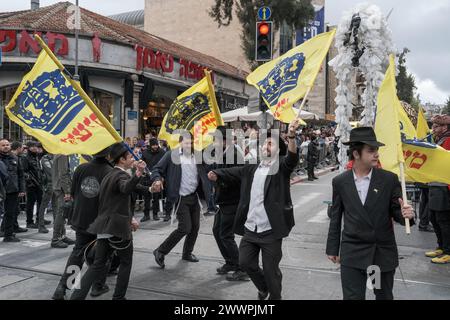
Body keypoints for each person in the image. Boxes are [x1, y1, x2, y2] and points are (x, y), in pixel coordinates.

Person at [208, 119, 301, 300]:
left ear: (278, 149)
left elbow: (292, 158)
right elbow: (234, 171)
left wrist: (291, 136)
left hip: (271, 232)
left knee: (270, 270)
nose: (265, 146)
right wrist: (217, 174)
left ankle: (274, 295)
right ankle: (263, 287)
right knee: (246, 263)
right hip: (251, 229)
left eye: (270, 143)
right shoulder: (252, 169)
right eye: (264, 143)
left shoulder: (281, 167)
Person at [326, 127, 415, 300]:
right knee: (353, 297)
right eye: (371, 150)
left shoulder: (388, 179)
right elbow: (335, 218)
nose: (376, 154)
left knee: (382, 295)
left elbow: (397, 212)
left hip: (379, 255)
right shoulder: (340, 182)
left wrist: (407, 214)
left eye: (377, 150)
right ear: (356, 154)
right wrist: (332, 248)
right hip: (353, 253)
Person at [70, 142, 148, 300]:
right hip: (113, 225)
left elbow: (110, 199)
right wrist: (138, 173)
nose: (133, 159)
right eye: (130, 156)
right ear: (120, 159)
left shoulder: (101, 172)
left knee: (90, 261)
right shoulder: (116, 173)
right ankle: (113, 294)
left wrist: (149, 188)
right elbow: (126, 188)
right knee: (124, 261)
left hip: (96, 223)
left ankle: (70, 292)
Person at [52, 147, 113, 300]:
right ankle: (97, 286)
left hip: (81, 218)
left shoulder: (81, 168)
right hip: (100, 221)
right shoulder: (110, 171)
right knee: (103, 254)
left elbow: (73, 192)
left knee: (78, 253)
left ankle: (63, 287)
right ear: (109, 155)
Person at [151, 133, 211, 268]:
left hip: (194, 196)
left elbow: (207, 168)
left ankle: (187, 253)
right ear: (180, 143)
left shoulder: (197, 155)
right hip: (180, 198)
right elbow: (157, 169)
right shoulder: (172, 155)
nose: (188, 145)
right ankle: (160, 251)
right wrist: (156, 179)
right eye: (186, 143)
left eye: (190, 143)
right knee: (185, 227)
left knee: (195, 227)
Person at [210, 126, 249, 281]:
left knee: (226, 234)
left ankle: (242, 268)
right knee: (216, 230)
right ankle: (230, 262)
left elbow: (237, 177)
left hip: (232, 201)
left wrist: (218, 178)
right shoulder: (223, 153)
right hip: (223, 200)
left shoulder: (233, 154)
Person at [425, 115, 450, 264]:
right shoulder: (438, 140)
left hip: (444, 186)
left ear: (444, 127)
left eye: (436, 126)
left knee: (443, 220)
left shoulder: (448, 140)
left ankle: (448, 251)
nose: (433, 129)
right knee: (433, 217)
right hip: (435, 184)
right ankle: (441, 246)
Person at [0, 139, 26, 242]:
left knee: (10, 213)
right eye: (3, 145)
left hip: (12, 190)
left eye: (7, 145)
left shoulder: (15, 158)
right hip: (1, 191)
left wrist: (22, 189)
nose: (6, 146)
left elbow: (21, 175)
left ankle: (8, 235)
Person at [51, 154, 75, 248]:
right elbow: (63, 174)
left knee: (62, 212)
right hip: (61, 188)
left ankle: (62, 236)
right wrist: (67, 191)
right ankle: (56, 238)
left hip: (60, 187)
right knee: (61, 213)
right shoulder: (62, 154)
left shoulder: (60, 153)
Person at [141, 138, 166, 222]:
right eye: (153, 145)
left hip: (157, 177)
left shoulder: (162, 152)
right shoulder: (145, 153)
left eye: (156, 145)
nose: (155, 147)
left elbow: (165, 165)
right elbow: (142, 164)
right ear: (150, 145)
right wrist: (144, 171)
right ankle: (146, 215)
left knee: (156, 196)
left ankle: (155, 214)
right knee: (146, 197)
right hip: (147, 177)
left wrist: (162, 177)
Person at [22, 141, 45, 228]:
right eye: (32, 146)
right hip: (31, 184)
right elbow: (24, 171)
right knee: (30, 203)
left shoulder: (37, 157)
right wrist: (30, 181)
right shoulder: (25, 158)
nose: (35, 148)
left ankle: (39, 220)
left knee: (40, 202)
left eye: (35, 146)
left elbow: (39, 170)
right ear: (28, 148)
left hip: (39, 183)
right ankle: (29, 222)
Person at [37, 149, 53, 233]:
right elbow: (50, 171)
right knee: (43, 205)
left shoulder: (57, 156)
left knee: (57, 206)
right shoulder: (45, 158)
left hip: (56, 184)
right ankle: (41, 225)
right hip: (49, 184)